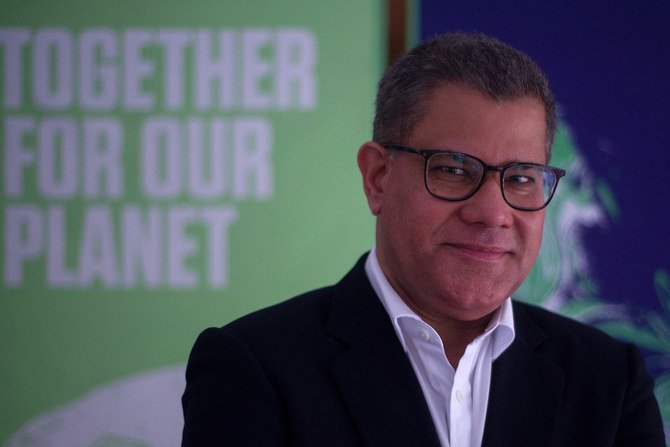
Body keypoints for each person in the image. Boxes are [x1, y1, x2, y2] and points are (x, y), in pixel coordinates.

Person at [181, 32, 664, 447]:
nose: (492, 214)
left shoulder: (608, 379)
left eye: (520, 178)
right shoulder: (255, 368)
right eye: (454, 170)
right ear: (378, 178)